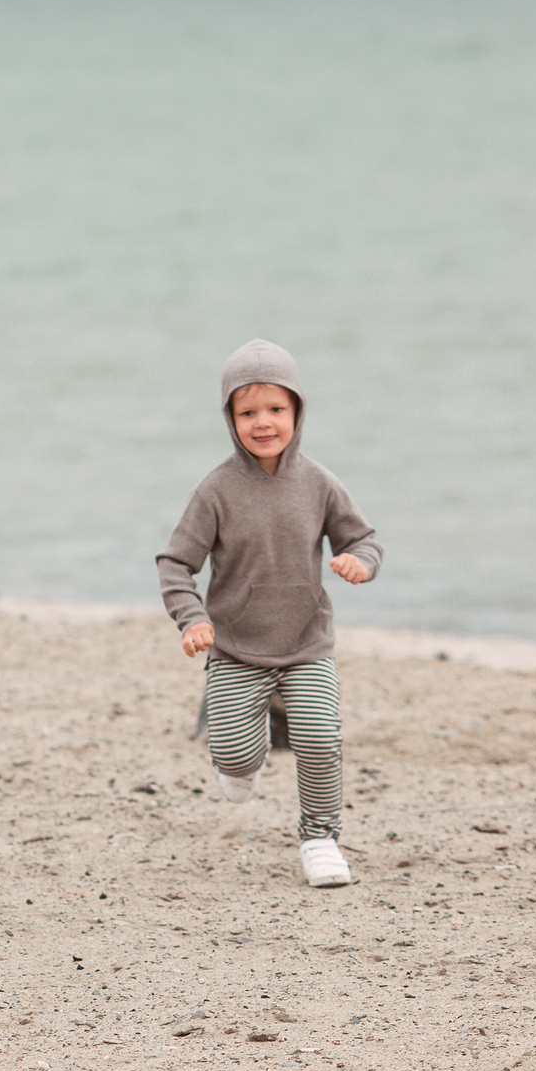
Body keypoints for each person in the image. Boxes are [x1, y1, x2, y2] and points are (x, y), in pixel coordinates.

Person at [156, 338, 382, 888]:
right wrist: (194, 619)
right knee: (233, 755)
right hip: (235, 647)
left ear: (297, 413)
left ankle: (321, 838)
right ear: (230, 418)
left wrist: (358, 561)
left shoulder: (320, 483)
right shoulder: (216, 491)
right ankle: (239, 764)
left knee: (320, 738)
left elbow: (364, 538)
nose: (263, 423)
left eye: (276, 409)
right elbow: (175, 564)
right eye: (248, 412)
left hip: (307, 643)